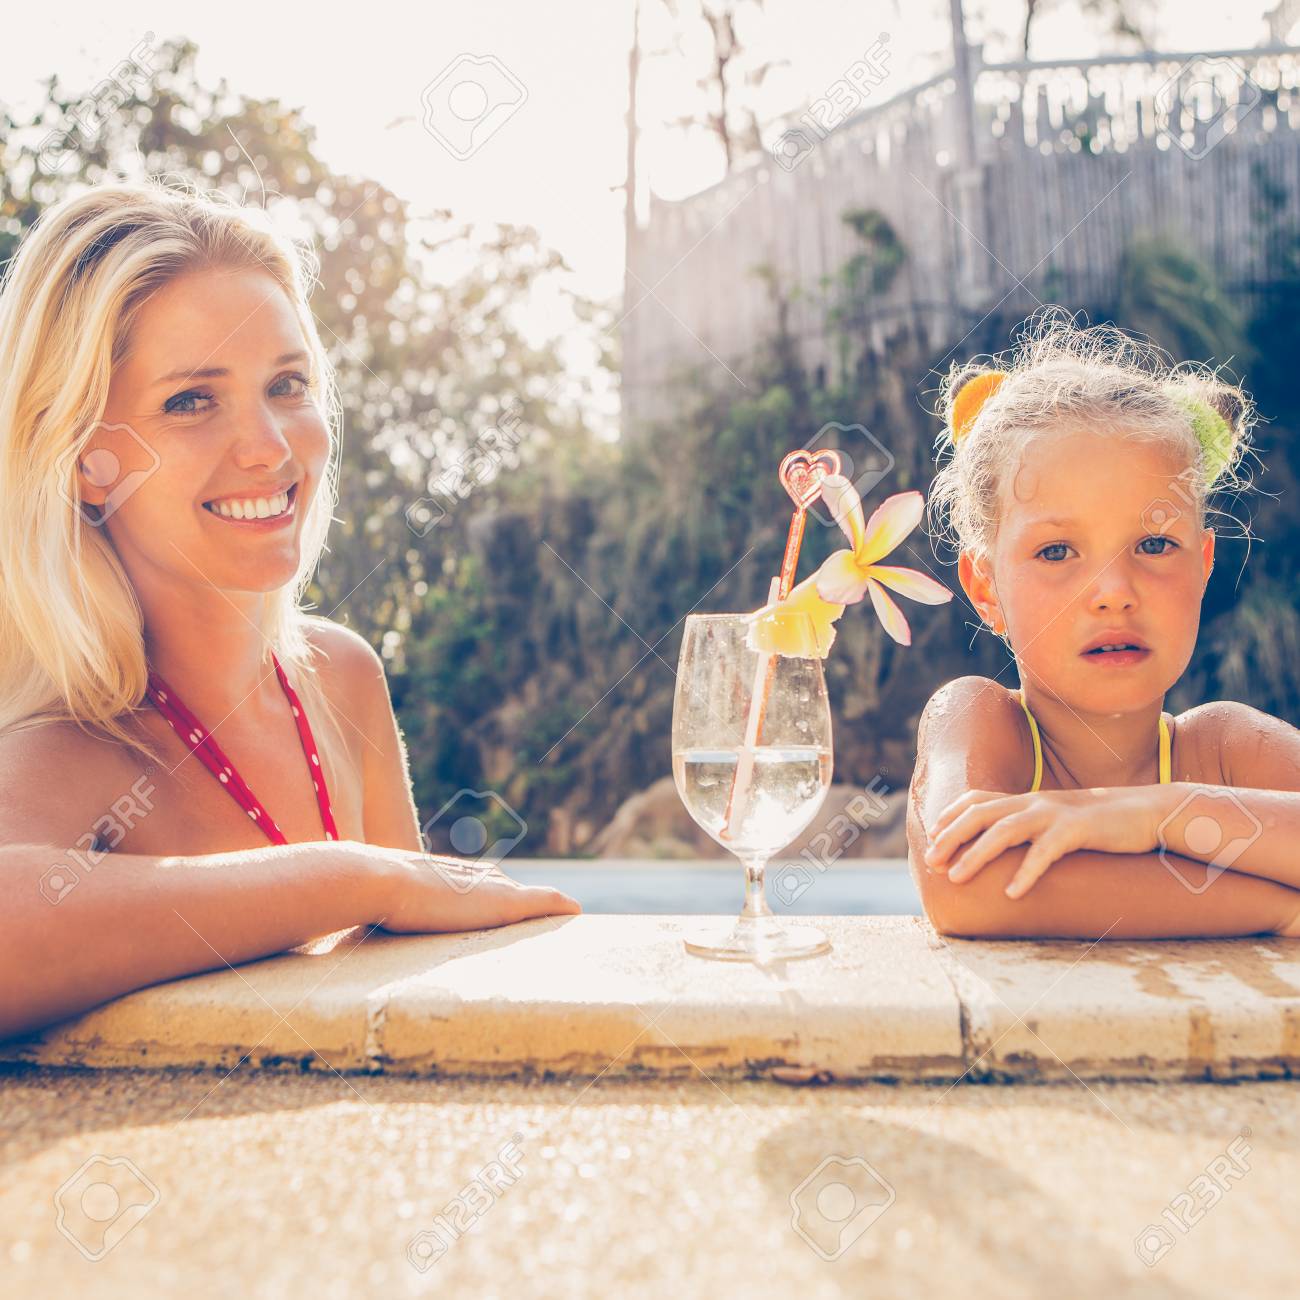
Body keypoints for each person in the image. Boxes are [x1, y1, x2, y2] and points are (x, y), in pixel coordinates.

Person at [0, 180, 578, 1039]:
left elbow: (408, 997)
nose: (270, 448)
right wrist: (356, 878)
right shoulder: (70, 744)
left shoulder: (341, 679)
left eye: (287, 384)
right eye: (192, 400)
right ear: (88, 461)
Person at [909, 309, 1300, 939]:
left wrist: (1159, 813)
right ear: (985, 588)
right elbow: (965, 883)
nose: (1114, 594)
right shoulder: (982, 722)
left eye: (1154, 545)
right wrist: (1280, 908)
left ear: (1203, 565)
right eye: (1056, 552)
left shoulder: (1224, 751)